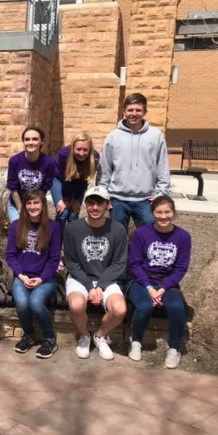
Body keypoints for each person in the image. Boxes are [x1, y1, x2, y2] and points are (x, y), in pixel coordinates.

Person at [63, 186, 128, 361]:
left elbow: (118, 263)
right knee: (76, 305)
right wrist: (88, 287)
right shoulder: (72, 228)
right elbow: (71, 262)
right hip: (79, 277)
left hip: (106, 278)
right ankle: (84, 336)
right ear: (85, 204)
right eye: (90, 203)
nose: (95, 207)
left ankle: (99, 336)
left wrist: (100, 286)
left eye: (100, 203)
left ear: (108, 205)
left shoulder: (118, 229)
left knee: (120, 309)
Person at [127, 196, 191, 369]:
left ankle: (174, 348)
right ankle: (136, 341)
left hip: (166, 282)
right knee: (145, 306)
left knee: (177, 307)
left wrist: (162, 289)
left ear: (174, 212)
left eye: (167, 212)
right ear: (152, 213)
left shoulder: (183, 237)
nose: (163, 216)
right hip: (142, 280)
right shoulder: (141, 233)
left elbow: (181, 268)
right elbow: (134, 264)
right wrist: (149, 288)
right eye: (159, 212)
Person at [99, 93, 170, 229]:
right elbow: (105, 168)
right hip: (117, 199)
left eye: (138, 110)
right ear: (123, 111)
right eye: (130, 110)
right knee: (117, 240)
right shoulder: (113, 137)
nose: (134, 113)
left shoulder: (155, 136)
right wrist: (103, 196)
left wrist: (162, 193)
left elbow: (162, 166)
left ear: (145, 112)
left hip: (146, 199)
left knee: (147, 238)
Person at [6, 190, 61, 359]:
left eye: (36, 203)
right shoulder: (17, 226)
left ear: (43, 205)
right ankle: (29, 335)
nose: (32, 207)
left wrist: (41, 279)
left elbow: (53, 260)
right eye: (29, 203)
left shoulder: (53, 227)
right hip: (22, 276)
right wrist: (21, 275)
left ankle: (49, 338)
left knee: (36, 303)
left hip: (46, 278)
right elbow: (10, 255)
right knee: (22, 303)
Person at [51, 133, 100, 235]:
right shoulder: (64, 154)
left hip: (79, 182)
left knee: (74, 213)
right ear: (73, 147)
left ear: (90, 149)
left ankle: (71, 243)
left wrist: (75, 200)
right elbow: (66, 179)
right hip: (59, 179)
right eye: (78, 149)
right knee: (63, 213)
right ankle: (56, 244)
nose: (81, 153)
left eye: (85, 150)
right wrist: (65, 199)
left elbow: (84, 180)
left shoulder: (94, 157)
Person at [6, 126, 57, 223]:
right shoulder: (15, 161)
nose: (30, 142)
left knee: (37, 234)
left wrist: (34, 207)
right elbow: (13, 187)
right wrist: (21, 209)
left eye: (35, 139)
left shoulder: (49, 162)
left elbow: (45, 188)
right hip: (17, 203)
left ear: (42, 142)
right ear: (23, 142)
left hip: (37, 203)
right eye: (27, 139)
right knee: (18, 231)